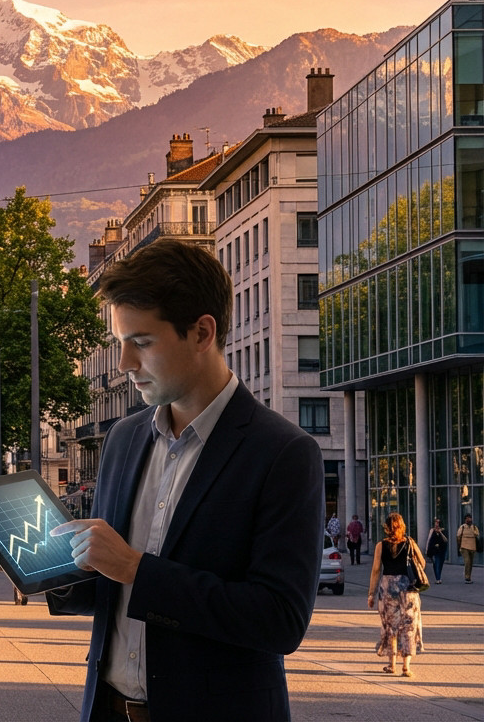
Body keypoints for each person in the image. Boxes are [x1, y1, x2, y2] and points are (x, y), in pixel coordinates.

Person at [45, 239, 324, 721]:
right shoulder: (124, 438)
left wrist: (137, 568)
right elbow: (111, 593)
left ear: (201, 333)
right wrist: (50, 569)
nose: (125, 365)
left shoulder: (284, 454)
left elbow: (280, 620)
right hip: (108, 707)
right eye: (120, 344)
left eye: (143, 342)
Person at [368, 512, 424, 678]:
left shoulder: (381, 545)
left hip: (388, 588)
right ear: (402, 526)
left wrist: (371, 593)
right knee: (409, 626)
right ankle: (406, 667)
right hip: (408, 589)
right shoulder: (410, 543)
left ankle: (392, 664)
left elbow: (376, 570)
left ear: (387, 527)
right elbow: (422, 562)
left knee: (390, 626)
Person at [426, 518, 449, 585]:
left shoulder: (443, 530)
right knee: (436, 563)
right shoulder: (432, 530)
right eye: (436, 523)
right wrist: (427, 549)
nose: (436, 525)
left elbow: (445, 540)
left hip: (442, 550)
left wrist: (440, 532)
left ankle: (438, 576)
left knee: (440, 564)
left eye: (438, 523)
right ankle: (438, 578)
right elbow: (429, 540)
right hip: (435, 550)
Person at [458, 514, 479, 584]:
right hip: (464, 547)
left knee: (471, 563)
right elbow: (458, 536)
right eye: (467, 518)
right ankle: (466, 577)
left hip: (472, 547)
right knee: (467, 561)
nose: (468, 520)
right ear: (465, 520)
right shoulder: (462, 527)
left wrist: (473, 529)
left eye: (469, 518)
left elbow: (477, 534)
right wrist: (459, 546)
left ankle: (469, 576)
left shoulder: (474, 527)